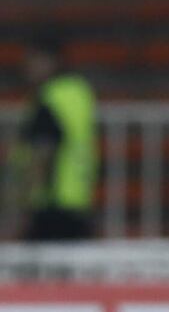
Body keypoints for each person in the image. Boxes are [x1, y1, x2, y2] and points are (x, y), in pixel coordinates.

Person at [12, 34, 98, 241]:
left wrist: (25, 203)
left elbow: (44, 150)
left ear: (49, 60)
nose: (27, 67)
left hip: (50, 205)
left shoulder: (50, 97)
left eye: (32, 60)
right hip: (78, 200)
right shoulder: (79, 91)